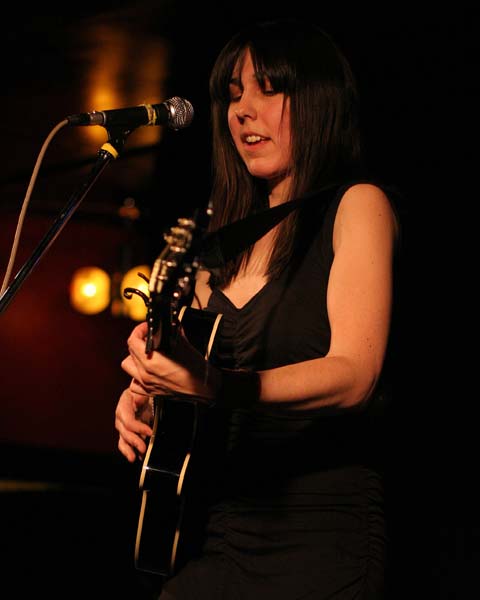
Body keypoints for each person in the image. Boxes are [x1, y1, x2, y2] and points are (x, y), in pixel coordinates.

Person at [114, 17, 402, 600]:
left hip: (320, 543)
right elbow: (191, 383)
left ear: (316, 100)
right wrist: (147, 395)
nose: (243, 109)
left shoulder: (356, 206)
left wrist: (221, 386)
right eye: (233, 94)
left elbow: (356, 375)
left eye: (268, 89)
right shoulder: (219, 242)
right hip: (215, 538)